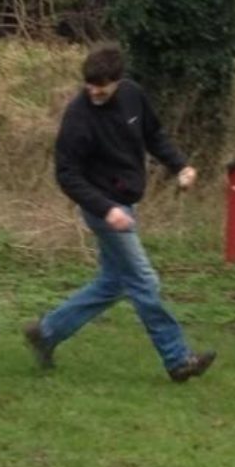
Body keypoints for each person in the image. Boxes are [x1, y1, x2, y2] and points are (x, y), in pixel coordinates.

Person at [24, 42, 216, 383]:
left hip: (125, 203)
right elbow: (67, 175)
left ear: (118, 80)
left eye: (102, 85)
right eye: (89, 84)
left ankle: (47, 332)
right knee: (144, 280)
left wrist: (180, 166)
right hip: (102, 209)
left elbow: (154, 135)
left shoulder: (132, 96)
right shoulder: (78, 117)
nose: (94, 91)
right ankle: (177, 359)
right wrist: (106, 209)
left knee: (113, 283)